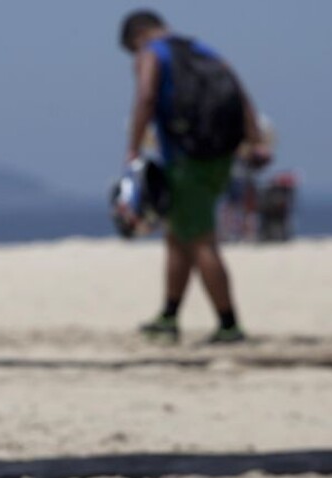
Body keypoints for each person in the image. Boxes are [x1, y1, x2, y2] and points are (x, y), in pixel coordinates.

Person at [117, 10, 269, 344]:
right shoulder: (201, 50)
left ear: (137, 35)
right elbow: (239, 94)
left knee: (200, 239)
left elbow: (145, 96)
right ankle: (169, 317)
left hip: (186, 158)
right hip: (219, 156)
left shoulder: (152, 53)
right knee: (178, 235)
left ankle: (229, 325)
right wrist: (255, 139)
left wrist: (133, 148)